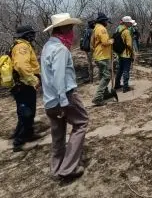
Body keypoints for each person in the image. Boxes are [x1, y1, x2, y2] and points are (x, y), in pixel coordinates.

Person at [41, 13, 88, 180]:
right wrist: (63, 102)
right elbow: (59, 77)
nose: (73, 33)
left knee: (58, 134)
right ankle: (68, 168)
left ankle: (56, 168)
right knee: (81, 123)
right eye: (71, 29)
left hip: (49, 100)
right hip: (65, 96)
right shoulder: (61, 50)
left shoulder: (47, 47)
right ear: (65, 29)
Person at [10, 25, 42, 152]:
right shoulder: (22, 47)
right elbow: (21, 66)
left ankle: (28, 134)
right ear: (26, 35)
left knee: (27, 111)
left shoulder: (22, 45)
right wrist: (33, 80)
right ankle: (18, 141)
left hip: (24, 84)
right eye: (31, 34)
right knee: (26, 112)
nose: (33, 36)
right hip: (24, 85)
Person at [91, 12, 117, 106]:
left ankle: (105, 94)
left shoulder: (96, 28)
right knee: (106, 76)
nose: (107, 23)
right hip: (102, 56)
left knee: (102, 76)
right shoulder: (102, 29)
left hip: (99, 55)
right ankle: (98, 98)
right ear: (103, 21)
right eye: (106, 21)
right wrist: (111, 41)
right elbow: (105, 42)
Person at [114, 16, 134, 93]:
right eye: (129, 22)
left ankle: (117, 84)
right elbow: (129, 44)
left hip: (120, 53)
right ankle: (125, 87)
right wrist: (132, 53)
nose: (130, 23)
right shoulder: (126, 31)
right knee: (126, 70)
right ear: (126, 22)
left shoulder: (119, 29)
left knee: (120, 69)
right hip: (126, 54)